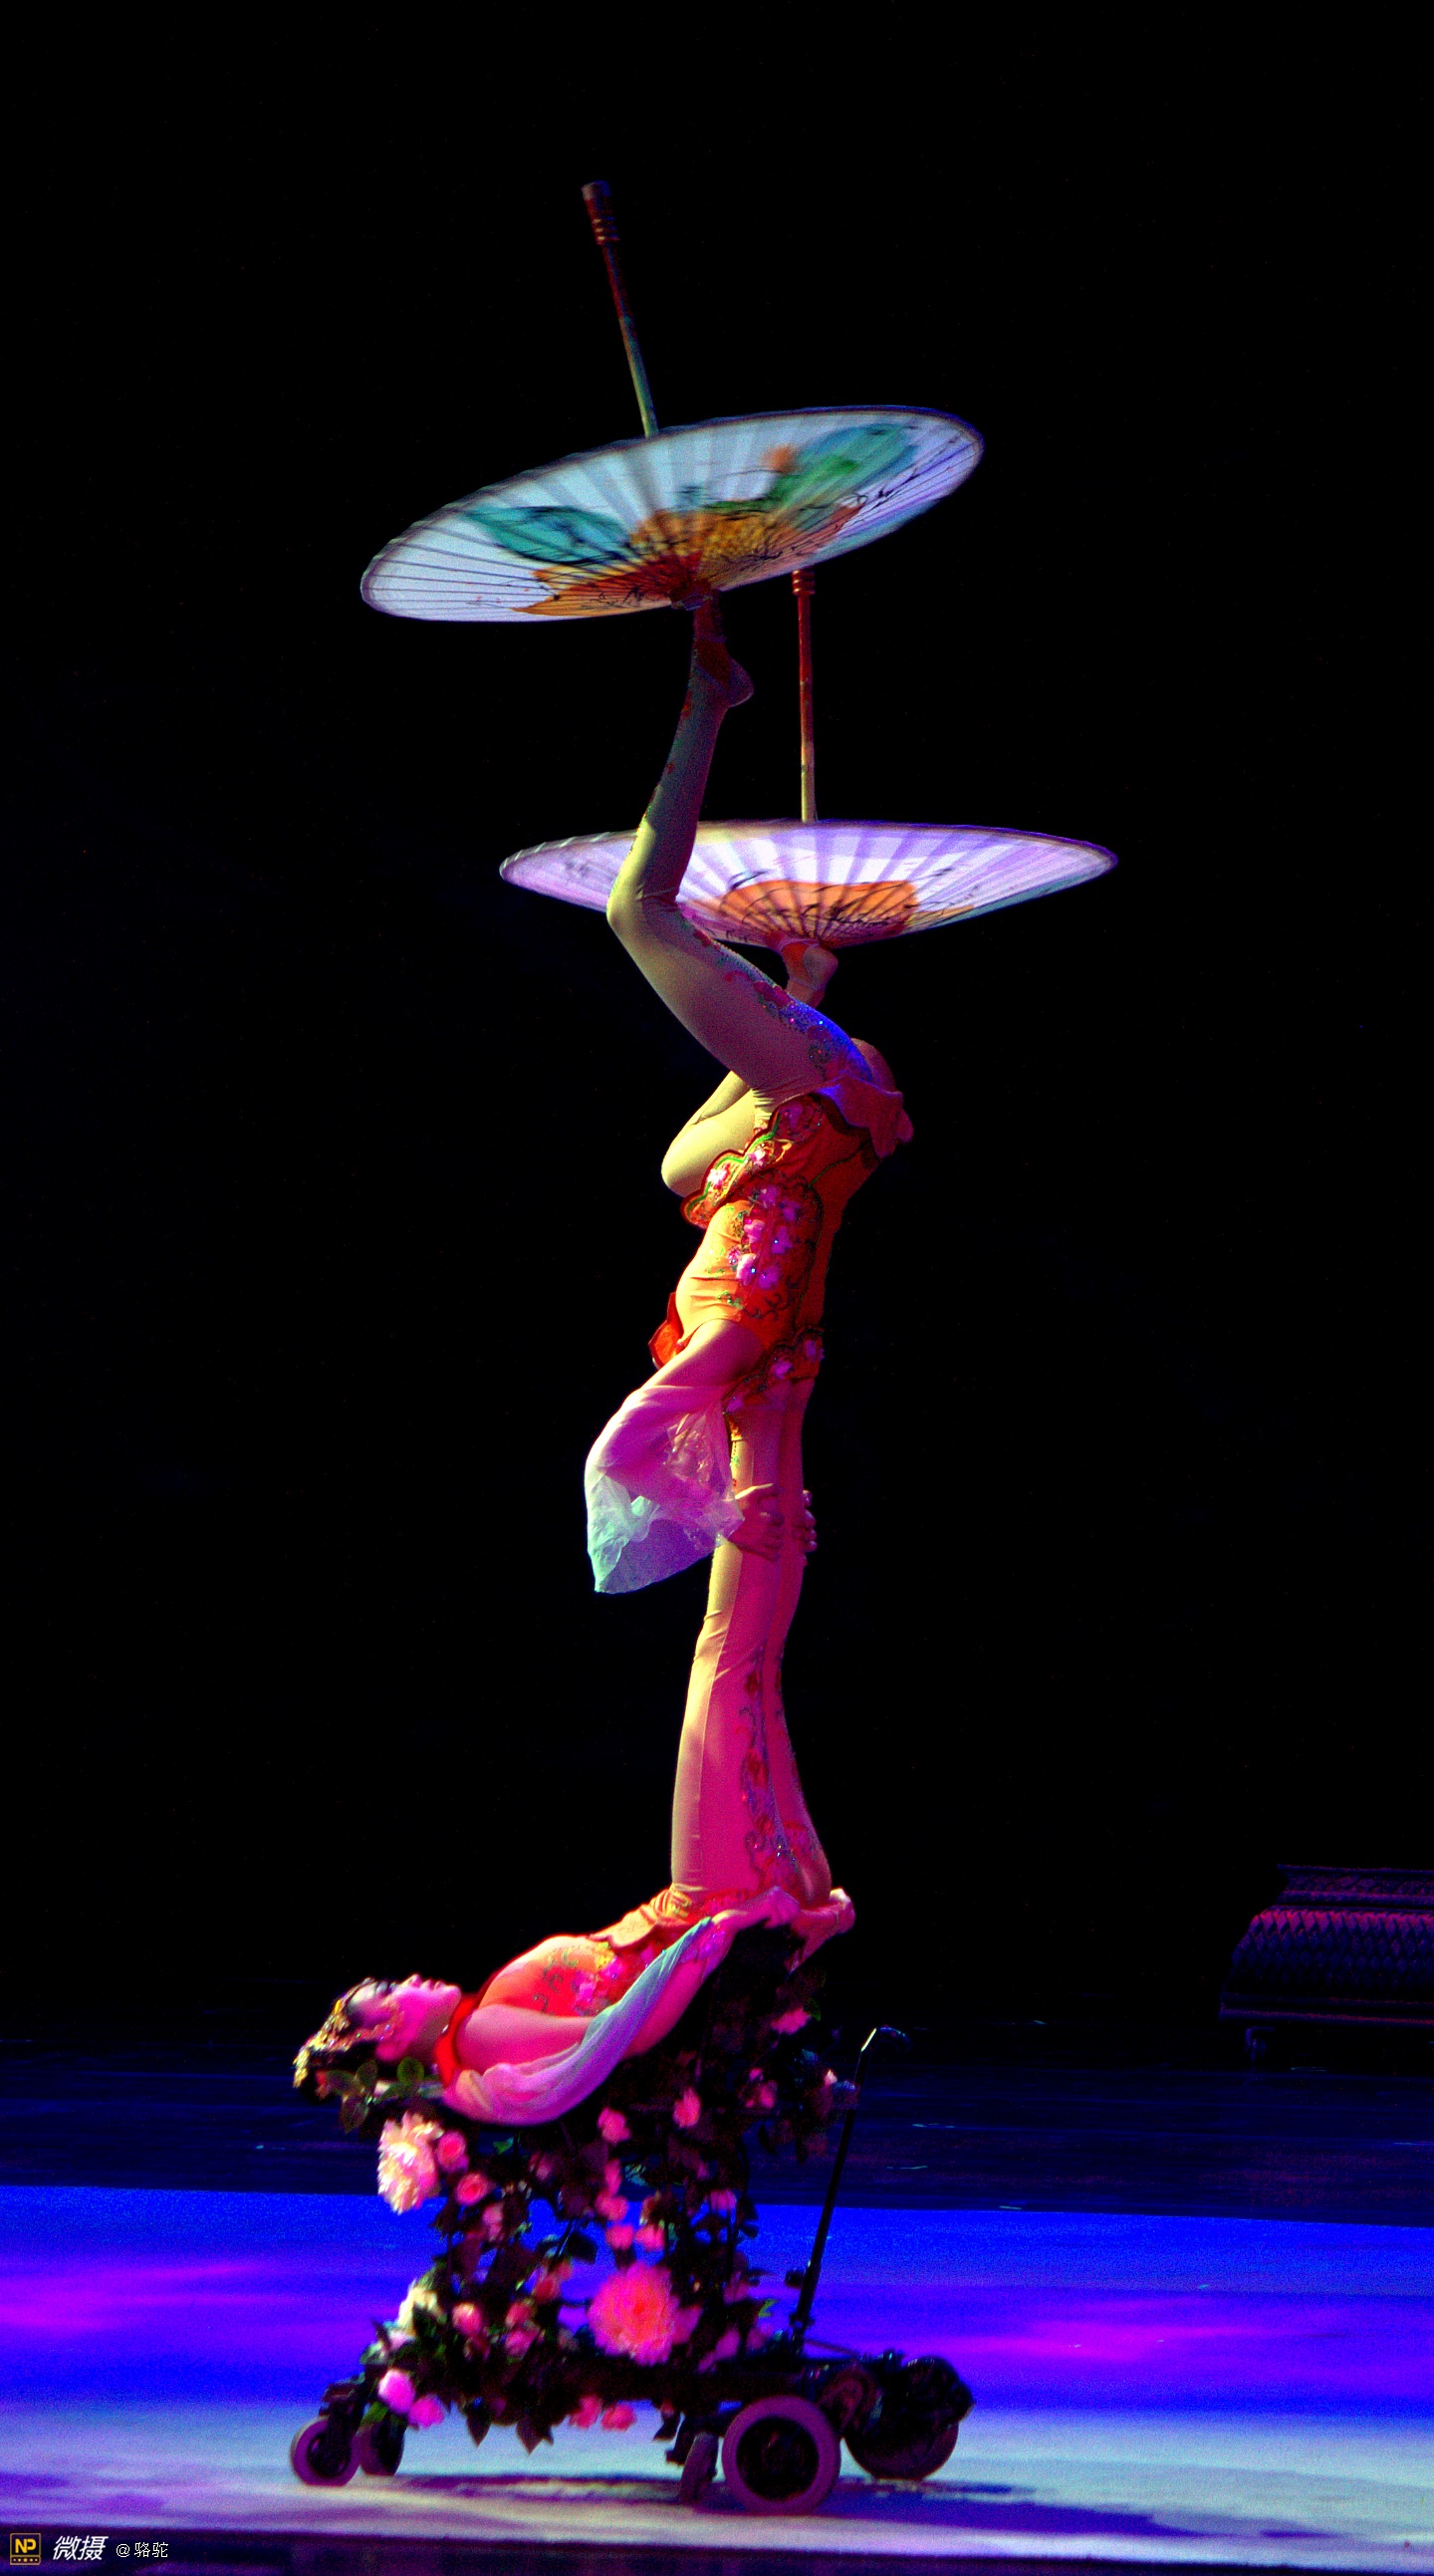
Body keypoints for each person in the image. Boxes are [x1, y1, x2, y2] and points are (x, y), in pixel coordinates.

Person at [585, 595, 913, 1927]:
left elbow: (703, 1213)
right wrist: (801, 992)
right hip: (816, 1097)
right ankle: (759, 1886)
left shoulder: (781, 1181)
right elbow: (687, 1172)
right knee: (734, 1660)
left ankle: (710, 701)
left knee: (637, 911)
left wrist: (645, 1438)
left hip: (820, 1102)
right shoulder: (772, 1165)